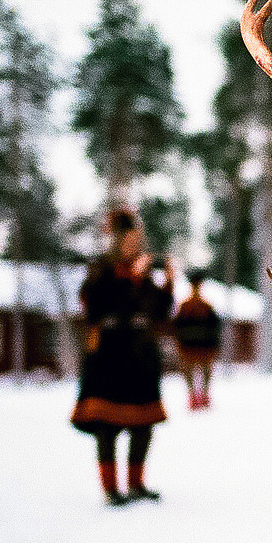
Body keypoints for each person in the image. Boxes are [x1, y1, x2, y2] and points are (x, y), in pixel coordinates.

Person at [70, 209, 174, 506]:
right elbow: (94, 305)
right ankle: (110, 489)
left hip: (140, 356)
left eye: (138, 240)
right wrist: (131, 281)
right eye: (130, 240)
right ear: (117, 241)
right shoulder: (101, 269)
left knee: (143, 424)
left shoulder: (142, 273)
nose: (135, 245)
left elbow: (160, 311)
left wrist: (167, 281)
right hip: (109, 355)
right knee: (107, 424)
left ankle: (137, 484)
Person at [173, 269, 222, 410]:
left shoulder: (206, 306)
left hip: (204, 347)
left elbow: (215, 328)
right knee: (190, 374)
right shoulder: (185, 306)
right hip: (189, 347)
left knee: (205, 373)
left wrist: (214, 345)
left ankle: (204, 396)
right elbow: (178, 327)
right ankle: (194, 397)